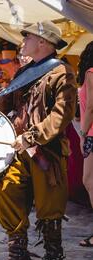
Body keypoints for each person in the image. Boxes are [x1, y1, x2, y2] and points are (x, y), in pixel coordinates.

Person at [0, 21, 77, 260]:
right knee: (7, 193)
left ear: (42, 41)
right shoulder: (24, 73)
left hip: (46, 152)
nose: (23, 42)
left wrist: (31, 136)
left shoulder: (62, 72)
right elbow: (5, 104)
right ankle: (19, 259)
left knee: (50, 207)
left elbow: (61, 115)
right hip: (19, 151)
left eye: (27, 37)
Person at [77, 41, 93, 247]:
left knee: (89, 181)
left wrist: (82, 133)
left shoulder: (90, 72)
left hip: (92, 133)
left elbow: (90, 106)